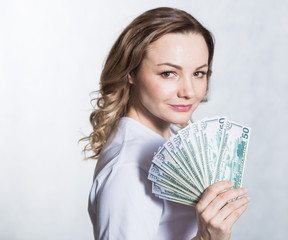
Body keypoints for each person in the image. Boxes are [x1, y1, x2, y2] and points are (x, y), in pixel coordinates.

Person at [83, 7, 250, 240]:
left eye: (199, 73)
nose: (189, 91)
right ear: (131, 73)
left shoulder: (163, 140)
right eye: (168, 73)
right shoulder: (128, 170)